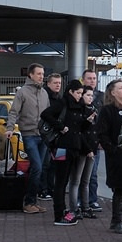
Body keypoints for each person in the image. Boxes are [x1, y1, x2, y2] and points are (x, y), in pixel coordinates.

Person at [40, 79, 86, 225]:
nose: (80, 96)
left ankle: (63, 210)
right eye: (78, 93)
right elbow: (45, 114)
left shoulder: (79, 106)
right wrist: (60, 126)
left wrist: (88, 121)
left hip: (73, 147)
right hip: (61, 147)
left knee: (65, 180)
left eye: (81, 93)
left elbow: (79, 127)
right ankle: (58, 214)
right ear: (71, 92)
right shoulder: (62, 103)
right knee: (60, 181)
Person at [5, 63, 50, 214]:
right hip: (29, 134)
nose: (41, 76)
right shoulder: (22, 92)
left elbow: (48, 115)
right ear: (30, 75)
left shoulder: (44, 92)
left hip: (42, 135)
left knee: (37, 168)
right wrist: (10, 128)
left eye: (43, 74)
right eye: (38, 74)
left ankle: (32, 200)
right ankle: (28, 202)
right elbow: (13, 112)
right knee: (36, 167)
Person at [96, 78, 122, 234]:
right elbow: (102, 133)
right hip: (116, 154)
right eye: (120, 88)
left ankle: (119, 219)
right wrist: (112, 149)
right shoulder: (107, 110)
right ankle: (116, 221)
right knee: (119, 186)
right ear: (112, 93)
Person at [38, 72, 63, 202]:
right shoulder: (44, 96)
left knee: (55, 163)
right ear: (48, 83)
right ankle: (43, 189)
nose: (58, 85)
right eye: (55, 83)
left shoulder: (59, 98)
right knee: (45, 163)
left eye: (59, 83)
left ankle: (51, 188)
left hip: (56, 136)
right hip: (45, 134)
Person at [75, 84, 99, 219]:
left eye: (92, 95)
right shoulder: (80, 111)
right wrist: (88, 149)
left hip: (92, 149)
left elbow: (96, 130)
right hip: (83, 149)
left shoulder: (93, 110)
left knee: (87, 180)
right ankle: (76, 206)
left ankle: (86, 206)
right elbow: (80, 132)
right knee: (77, 180)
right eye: (87, 95)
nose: (90, 98)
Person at [82, 69, 104, 213]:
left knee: (94, 173)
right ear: (83, 80)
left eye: (94, 78)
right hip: (82, 139)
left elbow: (103, 120)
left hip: (96, 138)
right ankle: (80, 200)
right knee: (81, 173)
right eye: (89, 78)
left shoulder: (102, 97)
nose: (92, 81)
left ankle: (92, 200)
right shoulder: (79, 95)